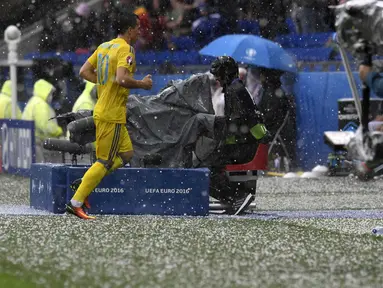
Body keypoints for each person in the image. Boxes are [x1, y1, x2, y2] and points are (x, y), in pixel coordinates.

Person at [66, 12, 153, 220]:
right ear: (130, 30)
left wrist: (104, 81)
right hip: (111, 114)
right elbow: (123, 79)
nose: (139, 31)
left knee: (126, 155)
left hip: (108, 110)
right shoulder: (126, 50)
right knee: (104, 161)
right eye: (137, 28)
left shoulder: (105, 46)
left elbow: (84, 72)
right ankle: (75, 203)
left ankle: (87, 181)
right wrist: (143, 84)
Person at [208, 56, 268, 215]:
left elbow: (240, 122)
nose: (217, 79)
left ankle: (235, 197)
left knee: (205, 166)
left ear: (226, 74)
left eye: (219, 75)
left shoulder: (234, 90)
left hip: (244, 146)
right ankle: (233, 196)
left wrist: (216, 131)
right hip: (246, 143)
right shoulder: (235, 88)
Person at [22, 79, 63, 162]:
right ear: (45, 92)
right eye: (50, 93)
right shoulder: (40, 104)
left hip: (30, 141)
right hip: (38, 143)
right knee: (42, 169)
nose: (51, 96)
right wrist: (58, 131)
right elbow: (45, 126)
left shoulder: (33, 101)